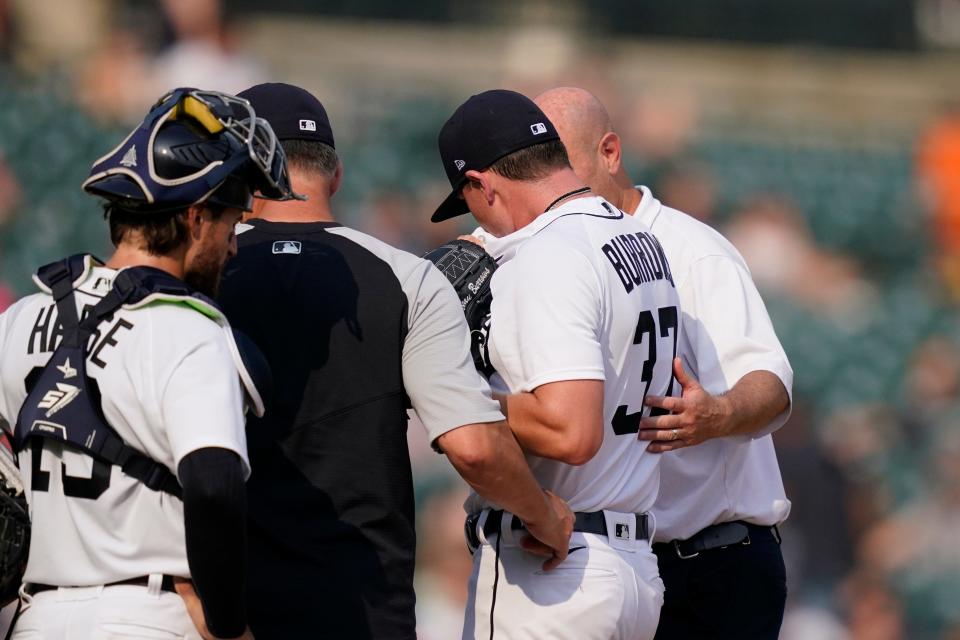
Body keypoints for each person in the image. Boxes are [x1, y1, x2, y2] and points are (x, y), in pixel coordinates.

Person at [216, 82, 573, 640]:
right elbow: (475, 447)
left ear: (239, 171)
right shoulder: (406, 278)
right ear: (335, 176)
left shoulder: (196, 277)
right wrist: (544, 516)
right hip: (358, 601)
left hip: (220, 601)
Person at [0, 88, 296, 639]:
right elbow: (213, 484)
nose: (233, 245)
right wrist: (228, 625)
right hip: (149, 614)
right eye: (232, 221)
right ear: (196, 217)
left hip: (35, 620)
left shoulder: (21, 317)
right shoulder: (189, 328)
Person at [533, 86, 793, 640]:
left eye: (562, 160)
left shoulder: (692, 249)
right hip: (616, 564)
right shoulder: (550, 253)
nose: (548, 183)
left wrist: (718, 413)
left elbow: (772, 387)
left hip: (712, 563)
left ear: (609, 153)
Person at [429, 89, 681, 640]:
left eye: (467, 196)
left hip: (553, 570)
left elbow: (572, 430)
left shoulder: (546, 254)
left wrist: (451, 389)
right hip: (632, 567)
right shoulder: (638, 237)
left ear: (480, 184)